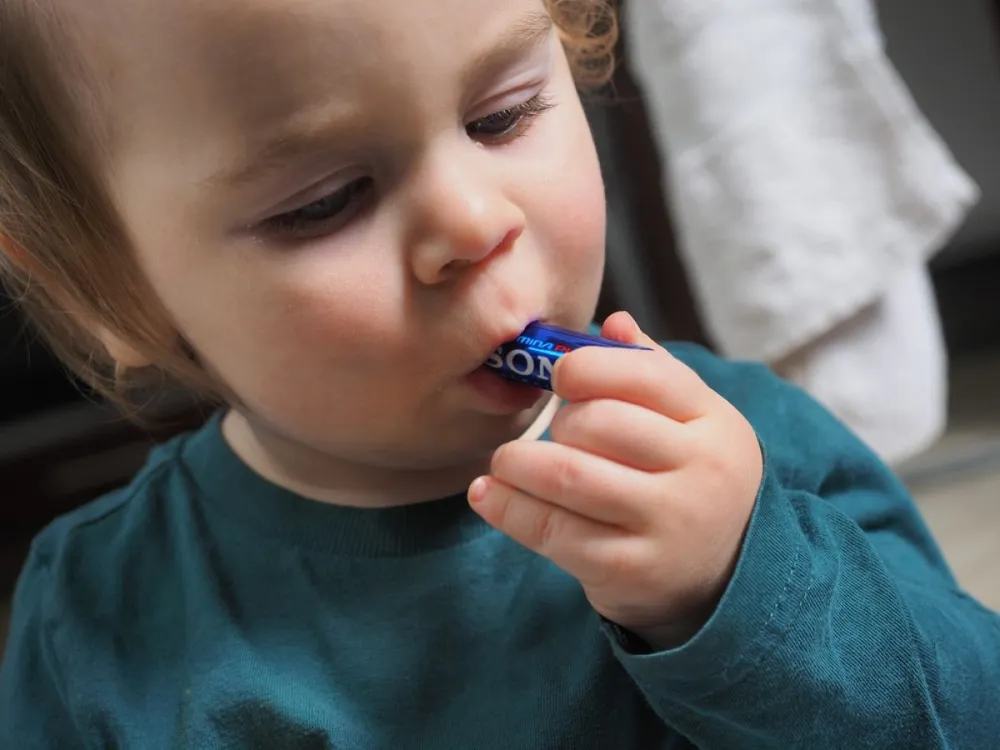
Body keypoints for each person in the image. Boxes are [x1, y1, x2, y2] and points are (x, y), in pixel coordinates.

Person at [0, 0, 997, 747]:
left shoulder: (746, 447)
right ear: (111, 293)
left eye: (502, 117)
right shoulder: (93, 618)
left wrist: (740, 589)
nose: (476, 225)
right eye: (325, 201)